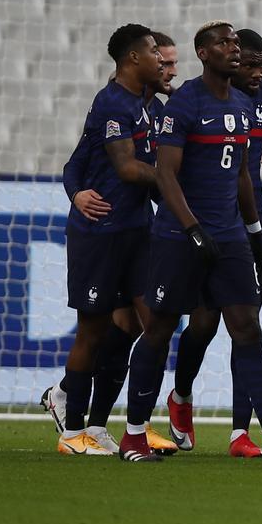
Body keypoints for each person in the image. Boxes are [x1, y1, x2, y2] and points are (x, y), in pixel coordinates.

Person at [117, 21, 262, 463]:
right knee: (161, 330)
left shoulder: (247, 107)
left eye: (235, 42)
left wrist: (253, 232)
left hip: (229, 237)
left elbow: (244, 175)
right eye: (224, 43)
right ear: (203, 53)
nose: (233, 48)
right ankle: (133, 435)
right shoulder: (185, 104)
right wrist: (191, 228)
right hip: (178, 235)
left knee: (247, 326)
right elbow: (166, 174)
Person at [42, 23, 163, 456]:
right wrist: (178, 184)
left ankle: (103, 425)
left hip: (137, 231)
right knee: (92, 331)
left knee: (143, 324)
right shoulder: (113, 103)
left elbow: (74, 162)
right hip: (101, 231)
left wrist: (73, 188)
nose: (160, 61)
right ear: (133, 58)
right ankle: (72, 430)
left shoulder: (144, 106)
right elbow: (129, 169)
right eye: (153, 53)